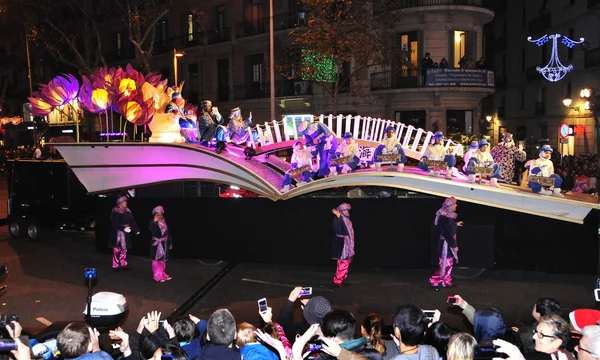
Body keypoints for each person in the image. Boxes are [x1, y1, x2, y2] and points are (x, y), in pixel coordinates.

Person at [429, 197, 462, 290]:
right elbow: (446, 233)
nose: (456, 205)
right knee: (445, 265)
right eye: (454, 204)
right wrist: (454, 245)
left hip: (447, 244)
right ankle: (434, 281)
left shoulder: (449, 216)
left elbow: (449, 228)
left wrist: (456, 224)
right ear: (449, 206)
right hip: (445, 245)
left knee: (449, 264)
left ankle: (446, 281)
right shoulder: (444, 217)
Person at [109, 196, 139, 272]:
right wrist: (123, 228)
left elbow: (132, 221)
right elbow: (114, 223)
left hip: (126, 233)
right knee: (116, 249)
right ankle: (115, 265)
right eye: (124, 202)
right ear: (120, 203)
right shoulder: (115, 212)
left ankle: (123, 263)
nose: (126, 203)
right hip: (117, 234)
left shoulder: (128, 211)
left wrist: (136, 230)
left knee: (124, 249)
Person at [332, 203, 355, 288]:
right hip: (342, 244)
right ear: (340, 211)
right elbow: (338, 230)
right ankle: (338, 281)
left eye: (347, 210)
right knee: (342, 263)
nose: (346, 212)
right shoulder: (338, 219)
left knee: (347, 262)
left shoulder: (347, 219)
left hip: (348, 244)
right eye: (344, 210)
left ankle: (343, 278)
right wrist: (338, 218)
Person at [148, 206, 172, 283]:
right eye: (158, 214)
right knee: (156, 260)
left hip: (164, 243)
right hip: (156, 244)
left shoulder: (164, 222)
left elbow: (168, 233)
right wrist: (154, 222)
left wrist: (170, 243)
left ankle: (162, 274)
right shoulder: (153, 223)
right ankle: (157, 275)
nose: (160, 216)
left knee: (163, 260)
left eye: (161, 214)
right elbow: (151, 228)